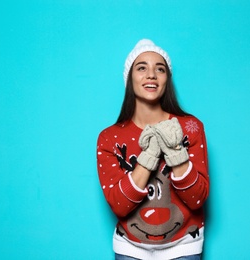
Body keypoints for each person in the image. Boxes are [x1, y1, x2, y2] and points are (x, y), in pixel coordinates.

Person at [96, 39, 209, 260]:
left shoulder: (191, 127)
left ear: (167, 79)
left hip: (184, 247)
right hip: (130, 248)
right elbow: (120, 205)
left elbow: (197, 199)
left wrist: (175, 151)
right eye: (141, 68)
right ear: (130, 79)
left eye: (160, 69)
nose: (151, 75)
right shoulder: (109, 138)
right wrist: (149, 156)